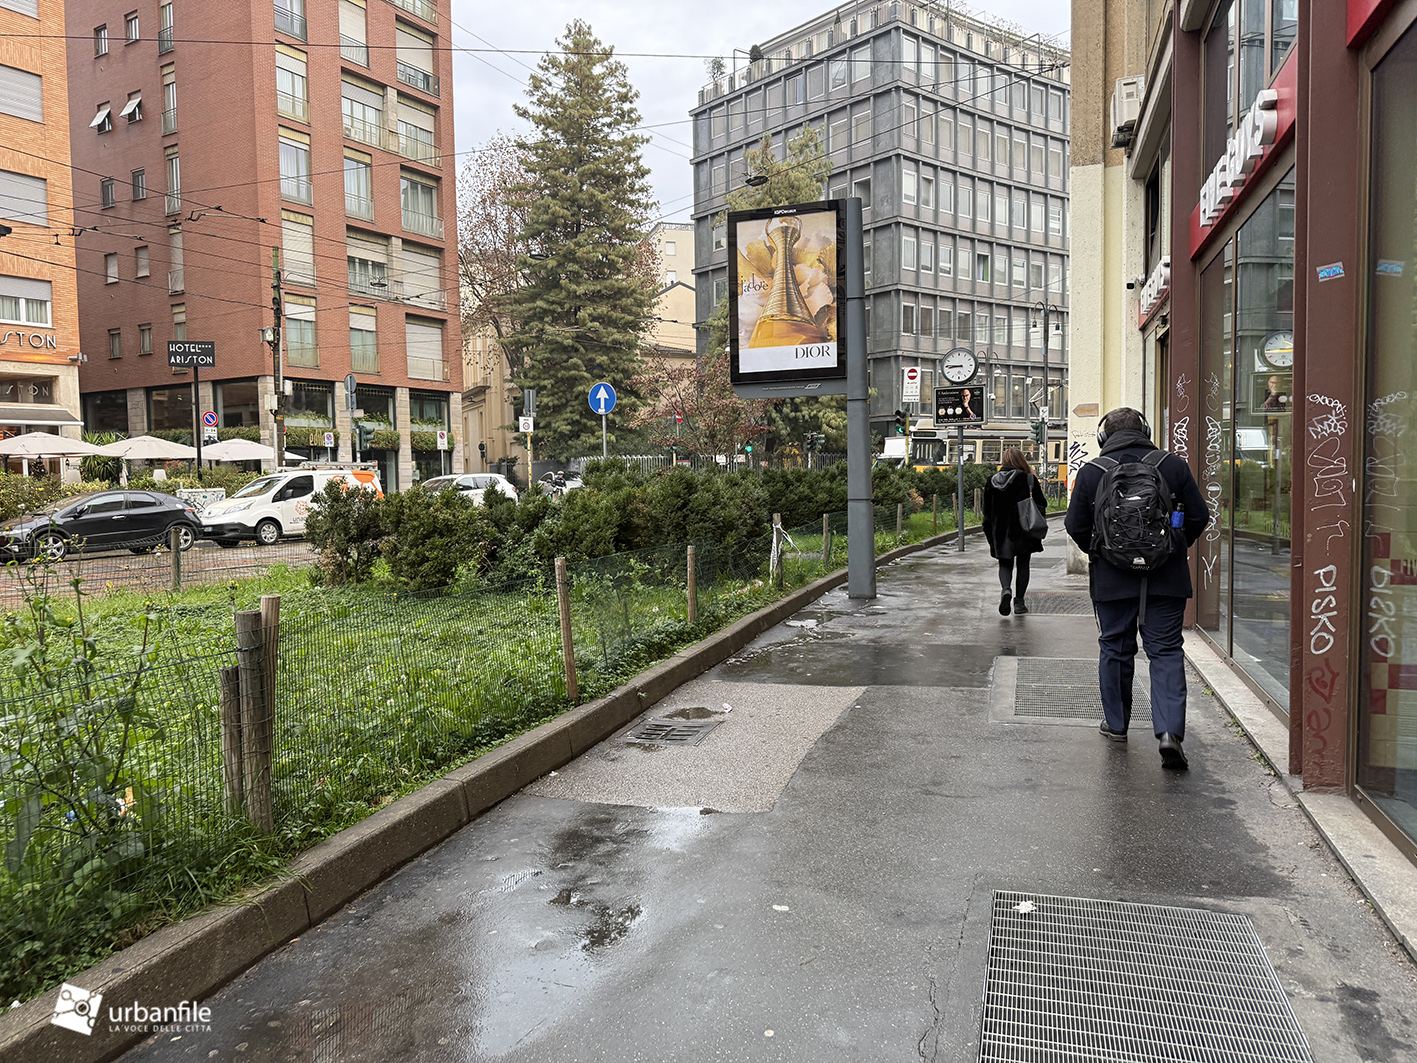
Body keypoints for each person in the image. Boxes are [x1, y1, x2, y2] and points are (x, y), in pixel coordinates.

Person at [1065, 407, 1209, 771]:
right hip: (1167, 579)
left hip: (1112, 581)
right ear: (1145, 431)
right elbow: (1198, 516)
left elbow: (1075, 524)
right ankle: (1169, 733)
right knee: (1165, 651)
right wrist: (1170, 549)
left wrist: (1104, 553)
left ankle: (1116, 726)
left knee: (1115, 648)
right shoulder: (1172, 465)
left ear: (1103, 437)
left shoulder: (1092, 472)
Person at [983, 448, 1047, 616]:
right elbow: (1042, 503)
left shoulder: (992, 481)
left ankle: (1006, 590)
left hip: (1000, 530)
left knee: (1005, 563)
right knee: (1023, 564)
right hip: (1024, 529)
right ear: (1020, 461)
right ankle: (1019, 602)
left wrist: (989, 532)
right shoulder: (1028, 479)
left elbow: (986, 512)